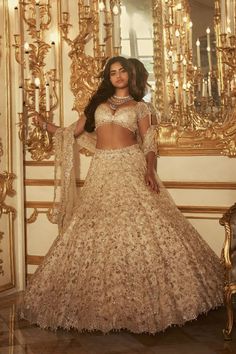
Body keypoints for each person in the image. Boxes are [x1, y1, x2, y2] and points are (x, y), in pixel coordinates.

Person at [20, 56, 223, 334]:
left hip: (131, 165)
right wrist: (44, 124)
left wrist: (150, 171)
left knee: (141, 227)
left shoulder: (141, 107)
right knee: (94, 228)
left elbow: (150, 143)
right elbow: (71, 133)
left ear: (130, 75)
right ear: (108, 77)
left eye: (122, 71)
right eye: (112, 72)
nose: (117, 76)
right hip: (102, 167)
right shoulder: (97, 105)